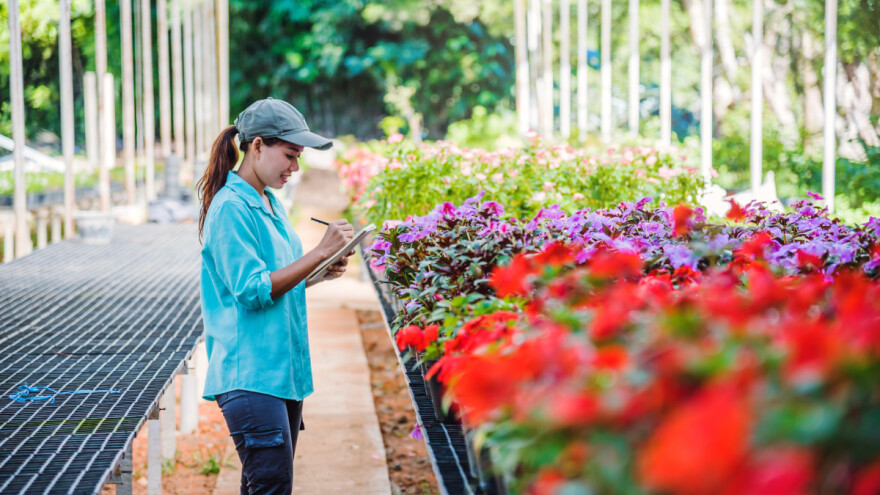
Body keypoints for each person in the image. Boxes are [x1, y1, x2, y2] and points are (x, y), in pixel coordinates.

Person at [197, 97, 354, 495]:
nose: (295, 167)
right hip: (251, 377)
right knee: (271, 486)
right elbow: (251, 290)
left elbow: (275, 278)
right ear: (257, 146)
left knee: (263, 486)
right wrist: (318, 251)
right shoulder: (231, 207)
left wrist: (320, 271)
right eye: (289, 155)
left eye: (298, 157)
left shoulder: (268, 201)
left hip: (281, 374)